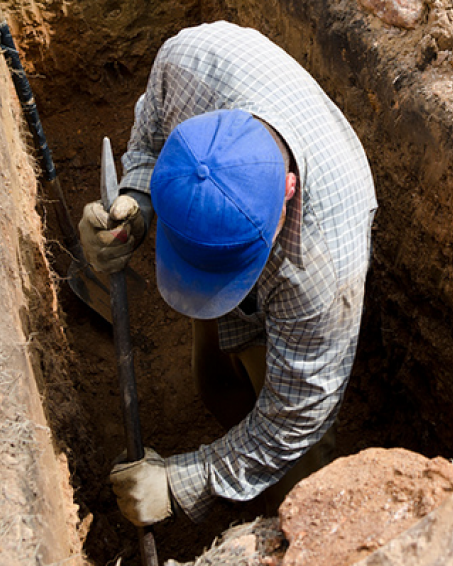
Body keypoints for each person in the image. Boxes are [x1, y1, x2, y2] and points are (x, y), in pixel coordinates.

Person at [78, 20, 377, 526]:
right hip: (226, 235)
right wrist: (138, 198)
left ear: (287, 191)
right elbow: (150, 137)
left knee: (303, 466)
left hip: (304, 278)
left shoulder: (322, 268)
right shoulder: (191, 61)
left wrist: (181, 481)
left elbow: (295, 416)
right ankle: (240, 464)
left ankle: (292, 524)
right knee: (214, 377)